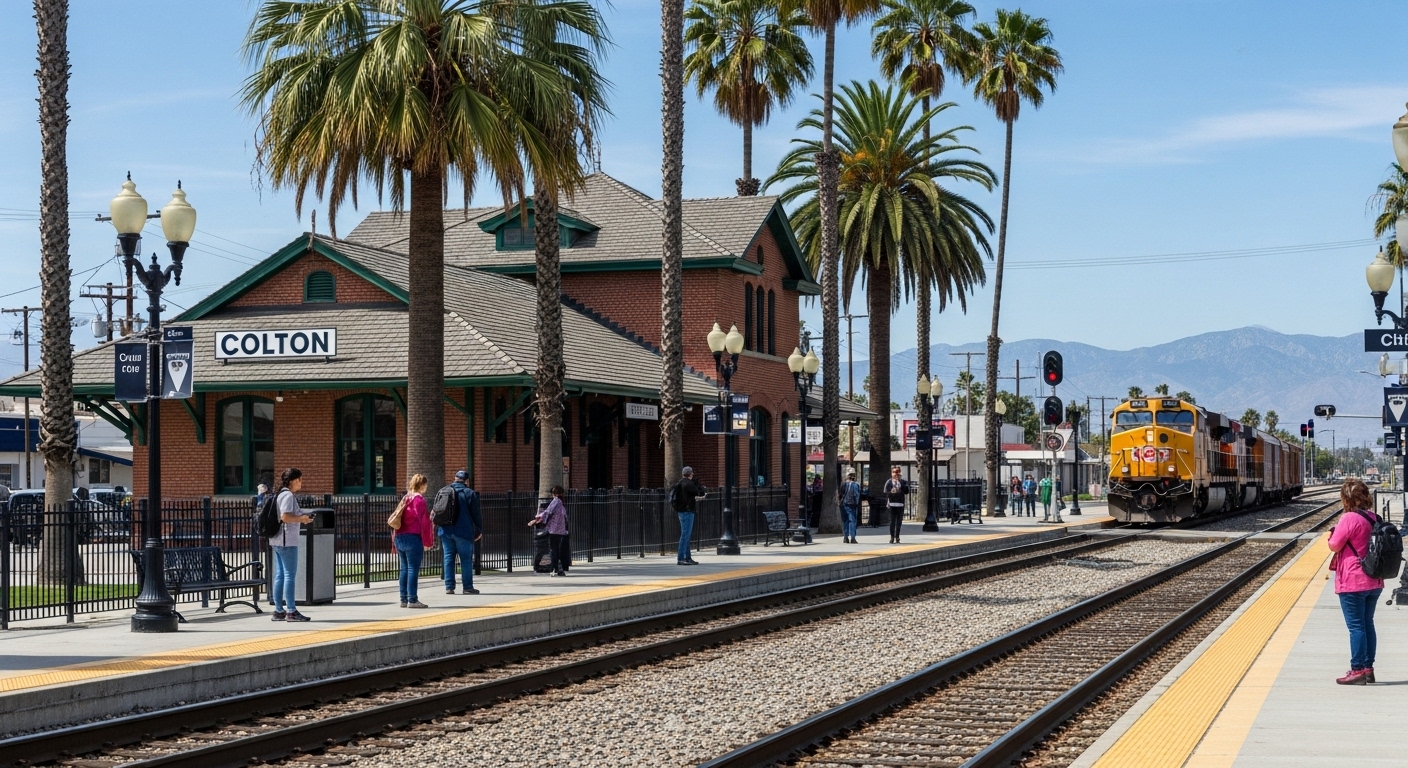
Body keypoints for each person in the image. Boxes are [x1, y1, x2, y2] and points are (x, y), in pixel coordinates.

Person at [1327, 479, 1385, 685]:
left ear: (1345, 498)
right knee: (1367, 624)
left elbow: (1334, 546)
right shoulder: (1374, 517)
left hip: (1353, 581)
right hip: (1374, 580)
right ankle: (1368, 669)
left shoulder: (1349, 518)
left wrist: (1332, 536)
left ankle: (1357, 669)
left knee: (1356, 627)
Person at [270, 468, 314, 622]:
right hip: (286, 540)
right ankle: (291, 610)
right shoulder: (288, 495)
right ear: (293, 480)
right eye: (300, 480)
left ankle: (278, 611)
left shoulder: (280, 494)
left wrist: (302, 514)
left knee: (280, 575)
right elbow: (285, 517)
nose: (301, 483)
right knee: (289, 574)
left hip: (276, 539)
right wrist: (301, 519)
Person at [439, 470, 483, 595]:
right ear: (466, 481)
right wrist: (479, 529)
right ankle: (467, 587)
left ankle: (449, 587)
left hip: (446, 530)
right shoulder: (470, 493)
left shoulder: (444, 491)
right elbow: (476, 514)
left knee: (448, 558)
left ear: (455, 478)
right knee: (466, 559)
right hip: (464, 531)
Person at [394, 473, 435, 608]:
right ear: (422, 485)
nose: (426, 487)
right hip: (413, 537)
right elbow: (424, 522)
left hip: (400, 536)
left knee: (404, 568)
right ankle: (413, 599)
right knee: (413, 569)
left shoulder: (406, 498)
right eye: (425, 485)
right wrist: (428, 541)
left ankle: (403, 599)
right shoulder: (419, 500)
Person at [531, 485, 571, 575]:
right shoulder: (561, 503)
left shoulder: (556, 501)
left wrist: (536, 519)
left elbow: (547, 512)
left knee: (554, 550)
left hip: (554, 530)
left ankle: (555, 568)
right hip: (562, 530)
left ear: (554, 494)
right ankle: (560, 569)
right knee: (559, 550)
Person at [670, 467, 705, 565]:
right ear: (690, 474)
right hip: (688, 511)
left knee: (686, 535)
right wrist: (696, 482)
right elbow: (700, 492)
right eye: (692, 474)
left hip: (681, 511)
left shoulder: (680, 483)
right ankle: (681, 558)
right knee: (685, 535)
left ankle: (687, 557)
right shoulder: (688, 484)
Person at [882, 466, 907, 544]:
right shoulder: (889, 482)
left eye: (897, 472)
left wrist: (901, 485)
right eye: (894, 472)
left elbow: (906, 491)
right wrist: (891, 492)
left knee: (899, 522)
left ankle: (897, 536)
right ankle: (892, 537)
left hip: (900, 504)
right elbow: (885, 491)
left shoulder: (903, 482)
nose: (896, 474)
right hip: (892, 504)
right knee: (892, 521)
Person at [838, 470, 862, 544]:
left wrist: (840, 502)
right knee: (852, 521)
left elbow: (840, 494)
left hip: (843, 504)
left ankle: (845, 537)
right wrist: (857, 504)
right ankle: (853, 538)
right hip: (852, 505)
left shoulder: (843, 484)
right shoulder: (855, 485)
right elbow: (856, 495)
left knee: (845, 521)